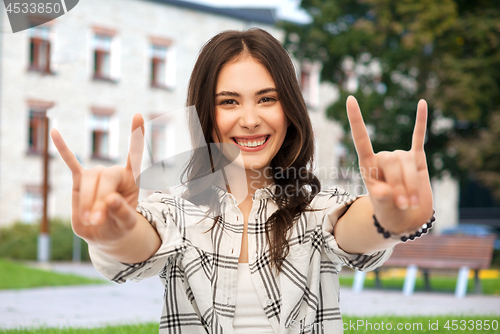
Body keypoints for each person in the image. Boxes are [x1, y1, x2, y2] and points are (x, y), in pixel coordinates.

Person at [51, 28, 434, 334]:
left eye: (266, 99)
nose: (249, 119)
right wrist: (110, 233)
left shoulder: (317, 207)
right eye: (229, 102)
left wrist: (389, 218)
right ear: (206, 114)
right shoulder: (176, 210)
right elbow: (141, 240)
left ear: (290, 109)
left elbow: (353, 226)